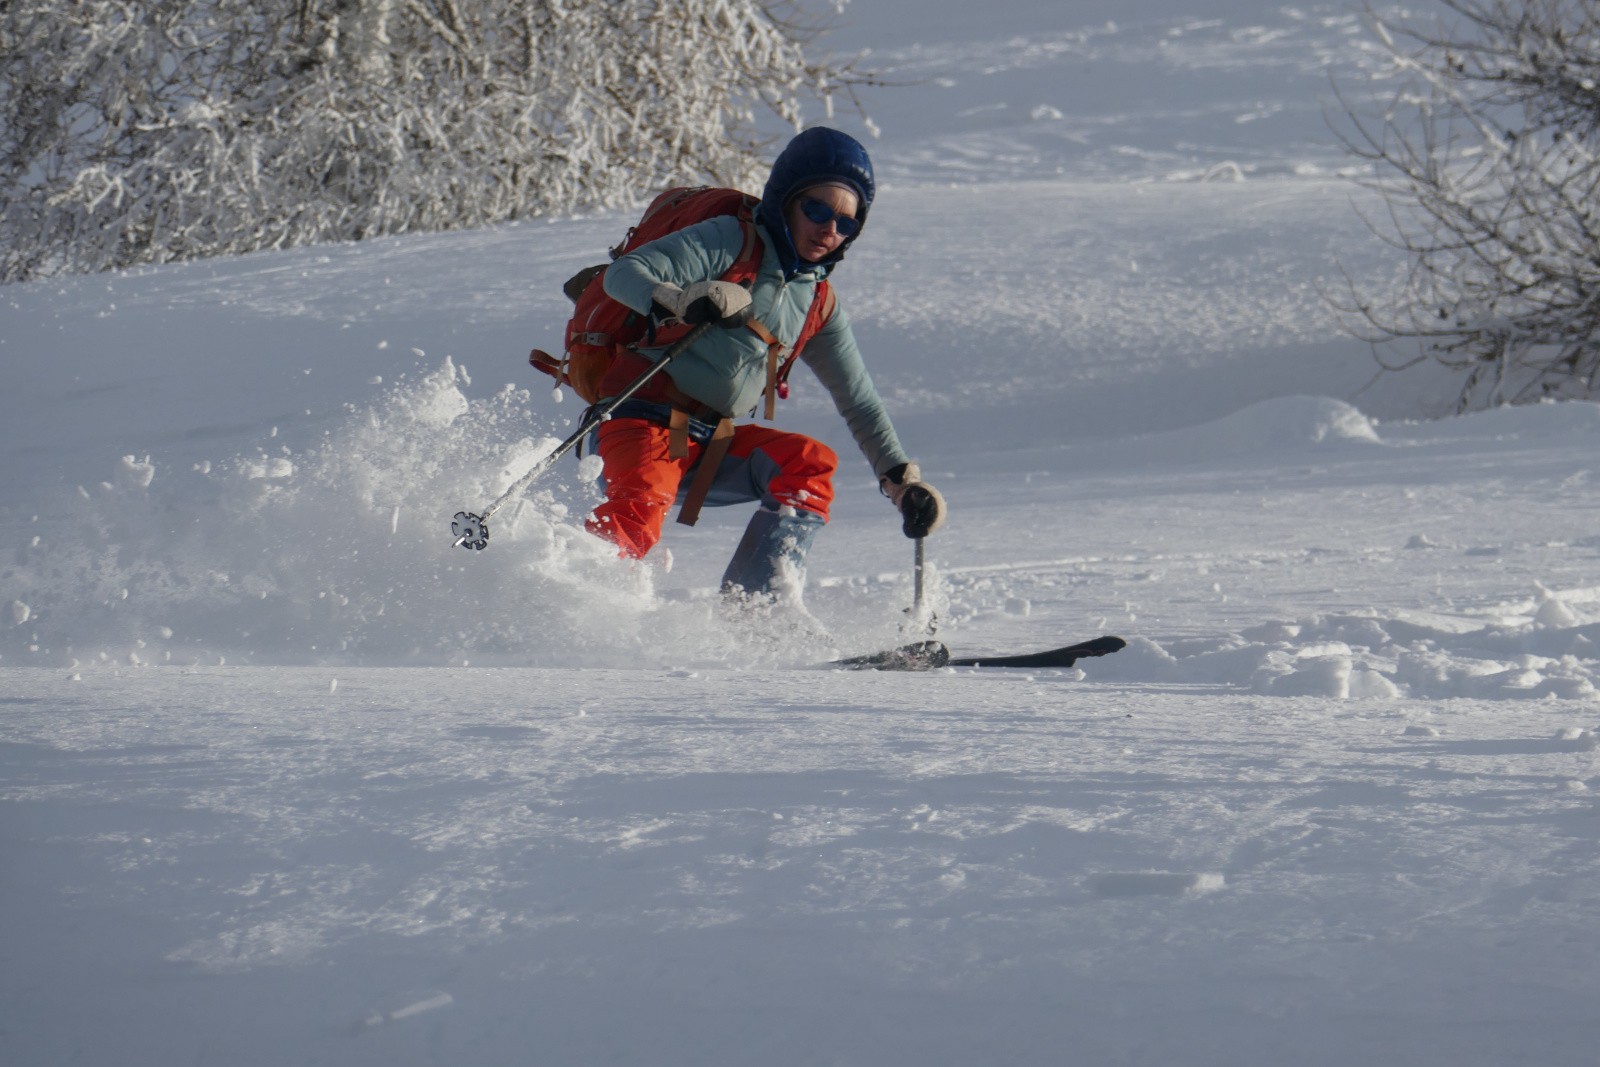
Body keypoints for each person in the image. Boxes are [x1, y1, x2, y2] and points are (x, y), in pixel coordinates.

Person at [586, 126, 945, 604]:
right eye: (817, 210)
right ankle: (576, 601)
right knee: (640, 509)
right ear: (786, 202)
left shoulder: (818, 301)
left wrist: (901, 481)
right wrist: (681, 298)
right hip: (641, 418)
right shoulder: (730, 240)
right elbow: (623, 273)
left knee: (809, 466)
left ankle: (756, 612)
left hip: (710, 440)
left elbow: (859, 400)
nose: (830, 230)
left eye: (846, 222)